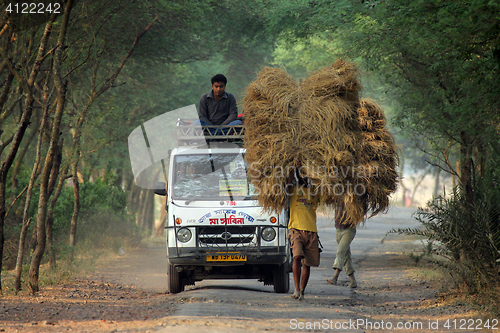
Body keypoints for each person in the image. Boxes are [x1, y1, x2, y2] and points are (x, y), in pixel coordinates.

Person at [287, 166, 320, 300]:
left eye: (308, 176)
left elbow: (327, 189)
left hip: (311, 230)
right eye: (302, 175)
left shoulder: (314, 191)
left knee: (307, 263)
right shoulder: (293, 189)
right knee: (296, 257)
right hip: (296, 229)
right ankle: (296, 289)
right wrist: (294, 167)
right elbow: (288, 182)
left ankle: (302, 290)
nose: (305, 178)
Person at [326, 202, 357, 288]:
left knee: (340, 252)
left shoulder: (354, 196)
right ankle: (353, 281)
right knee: (345, 255)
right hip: (338, 229)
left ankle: (335, 277)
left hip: (349, 230)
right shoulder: (337, 193)